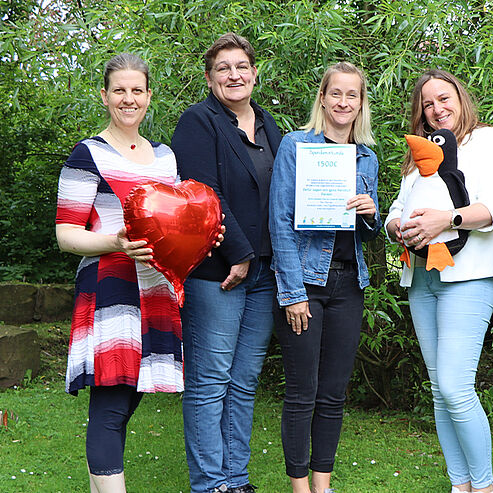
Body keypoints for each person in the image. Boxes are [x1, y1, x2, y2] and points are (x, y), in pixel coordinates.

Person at [55, 53, 186, 493]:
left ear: (149, 95)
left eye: (137, 91)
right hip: (110, 288)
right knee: (110, 409)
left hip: (154, 289)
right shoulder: (87, 153)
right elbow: (66, 235)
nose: (128, 99)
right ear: (105, 95)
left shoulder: (166, 158)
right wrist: (114, 242)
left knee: (127, 402)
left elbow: (175, 222)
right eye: (119, 91)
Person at [385, 69, 493, 493]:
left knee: (456, 387)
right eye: (427, 104)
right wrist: (396, 228)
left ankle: (485, 486)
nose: (437, 109)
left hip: (471, 277)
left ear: (461, 97)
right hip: (423, 279)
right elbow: (396, 210)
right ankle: (460, 485)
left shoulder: (491, 141)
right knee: (440, 390)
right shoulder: (419, 154)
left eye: (444, 99)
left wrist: (447, 218)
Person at [171, 33, 282, 493]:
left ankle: (236, 478)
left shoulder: (270, 124)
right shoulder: (199, 122)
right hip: (219, 273)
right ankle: (210, 483)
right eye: (224, 68)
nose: (234, 75)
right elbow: (203, 192)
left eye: (242, 66)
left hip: (264, 272)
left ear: (255, 73)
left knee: (244, 379)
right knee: (210, 379)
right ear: (209, 77)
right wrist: (237, 253)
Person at [269, 61, 381, 493]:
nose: (343, 102)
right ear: (323, 97)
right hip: (305, 285)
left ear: (360, 103)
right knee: (302, 390)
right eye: (336, 93)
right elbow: (279, 221)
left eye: (352, 95)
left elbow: (367, 231)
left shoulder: (366, 156)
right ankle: (299, 487)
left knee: (333, 392)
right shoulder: (297, 147)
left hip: (348, 284)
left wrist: (372, 214)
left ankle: (323, 485)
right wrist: (293, 293)